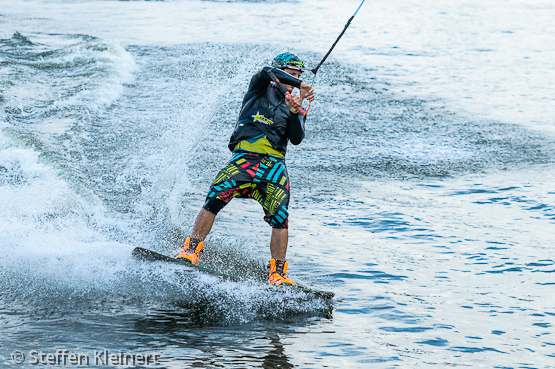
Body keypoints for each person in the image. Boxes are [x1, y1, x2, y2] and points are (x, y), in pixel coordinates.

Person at [176, 52, 315, 286]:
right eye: (291, 76)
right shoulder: (260, 86)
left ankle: (277, 273)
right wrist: (300, 84)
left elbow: (297, 138)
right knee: (214, 198)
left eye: (298, 76)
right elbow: (265, 71)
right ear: (280, 75)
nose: (294, 81)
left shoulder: (296, 104)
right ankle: (190, 251)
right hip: (244, 159)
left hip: (274, 166)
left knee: (281, 217)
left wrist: (294, 112)